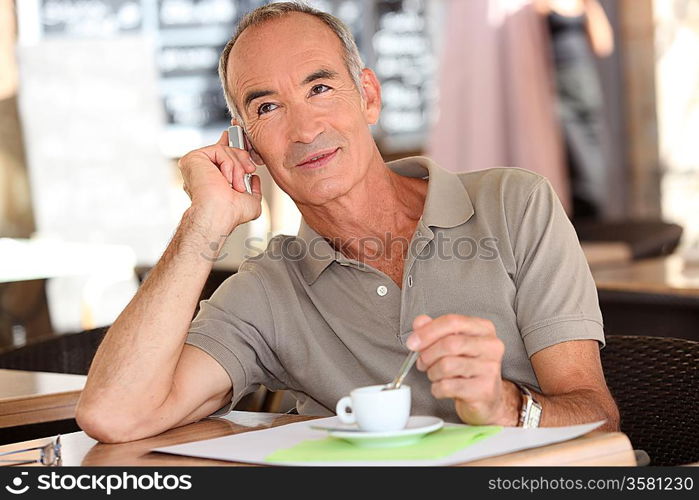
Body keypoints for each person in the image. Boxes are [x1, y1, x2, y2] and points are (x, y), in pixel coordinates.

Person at [76, 2, 619, 443]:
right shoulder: (270, 289)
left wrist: (502, 405)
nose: (305, 129)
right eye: (267, 108)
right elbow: (115, 416)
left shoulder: (515, 204)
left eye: (320, 89)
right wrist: (205, 221)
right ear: (249, 145)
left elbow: (597, 415)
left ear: (369, 97)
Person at [536, 0, 615, 219]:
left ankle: (594, 210)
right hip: (554, 80)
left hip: (582, 79)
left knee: (591, 148)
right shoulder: (534, 6)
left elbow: (603, 44)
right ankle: (576, 215)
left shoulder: (584, 3)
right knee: (570, 149)